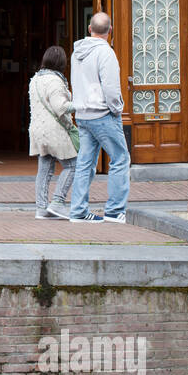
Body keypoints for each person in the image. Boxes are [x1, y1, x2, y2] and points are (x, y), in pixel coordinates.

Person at [68, 12, 130, 223]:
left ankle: (78, 210)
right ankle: (114, 210)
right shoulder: (106, 53)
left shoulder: (76, 53)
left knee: (85, 163)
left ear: (89, 29)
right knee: (120, 159)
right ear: (110, 31)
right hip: (103, 114)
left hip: (83, 114)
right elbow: (111, 88)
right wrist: (117, 108)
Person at [28, 45, 77, 220]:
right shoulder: (55, 81)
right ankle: (58, 202)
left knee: (44, 170)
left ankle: (41, 208)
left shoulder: (35, 79)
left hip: (38, 131)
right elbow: (60, 107)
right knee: (73, 166)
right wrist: (82, 104)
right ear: (62, 63)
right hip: (55, 131)